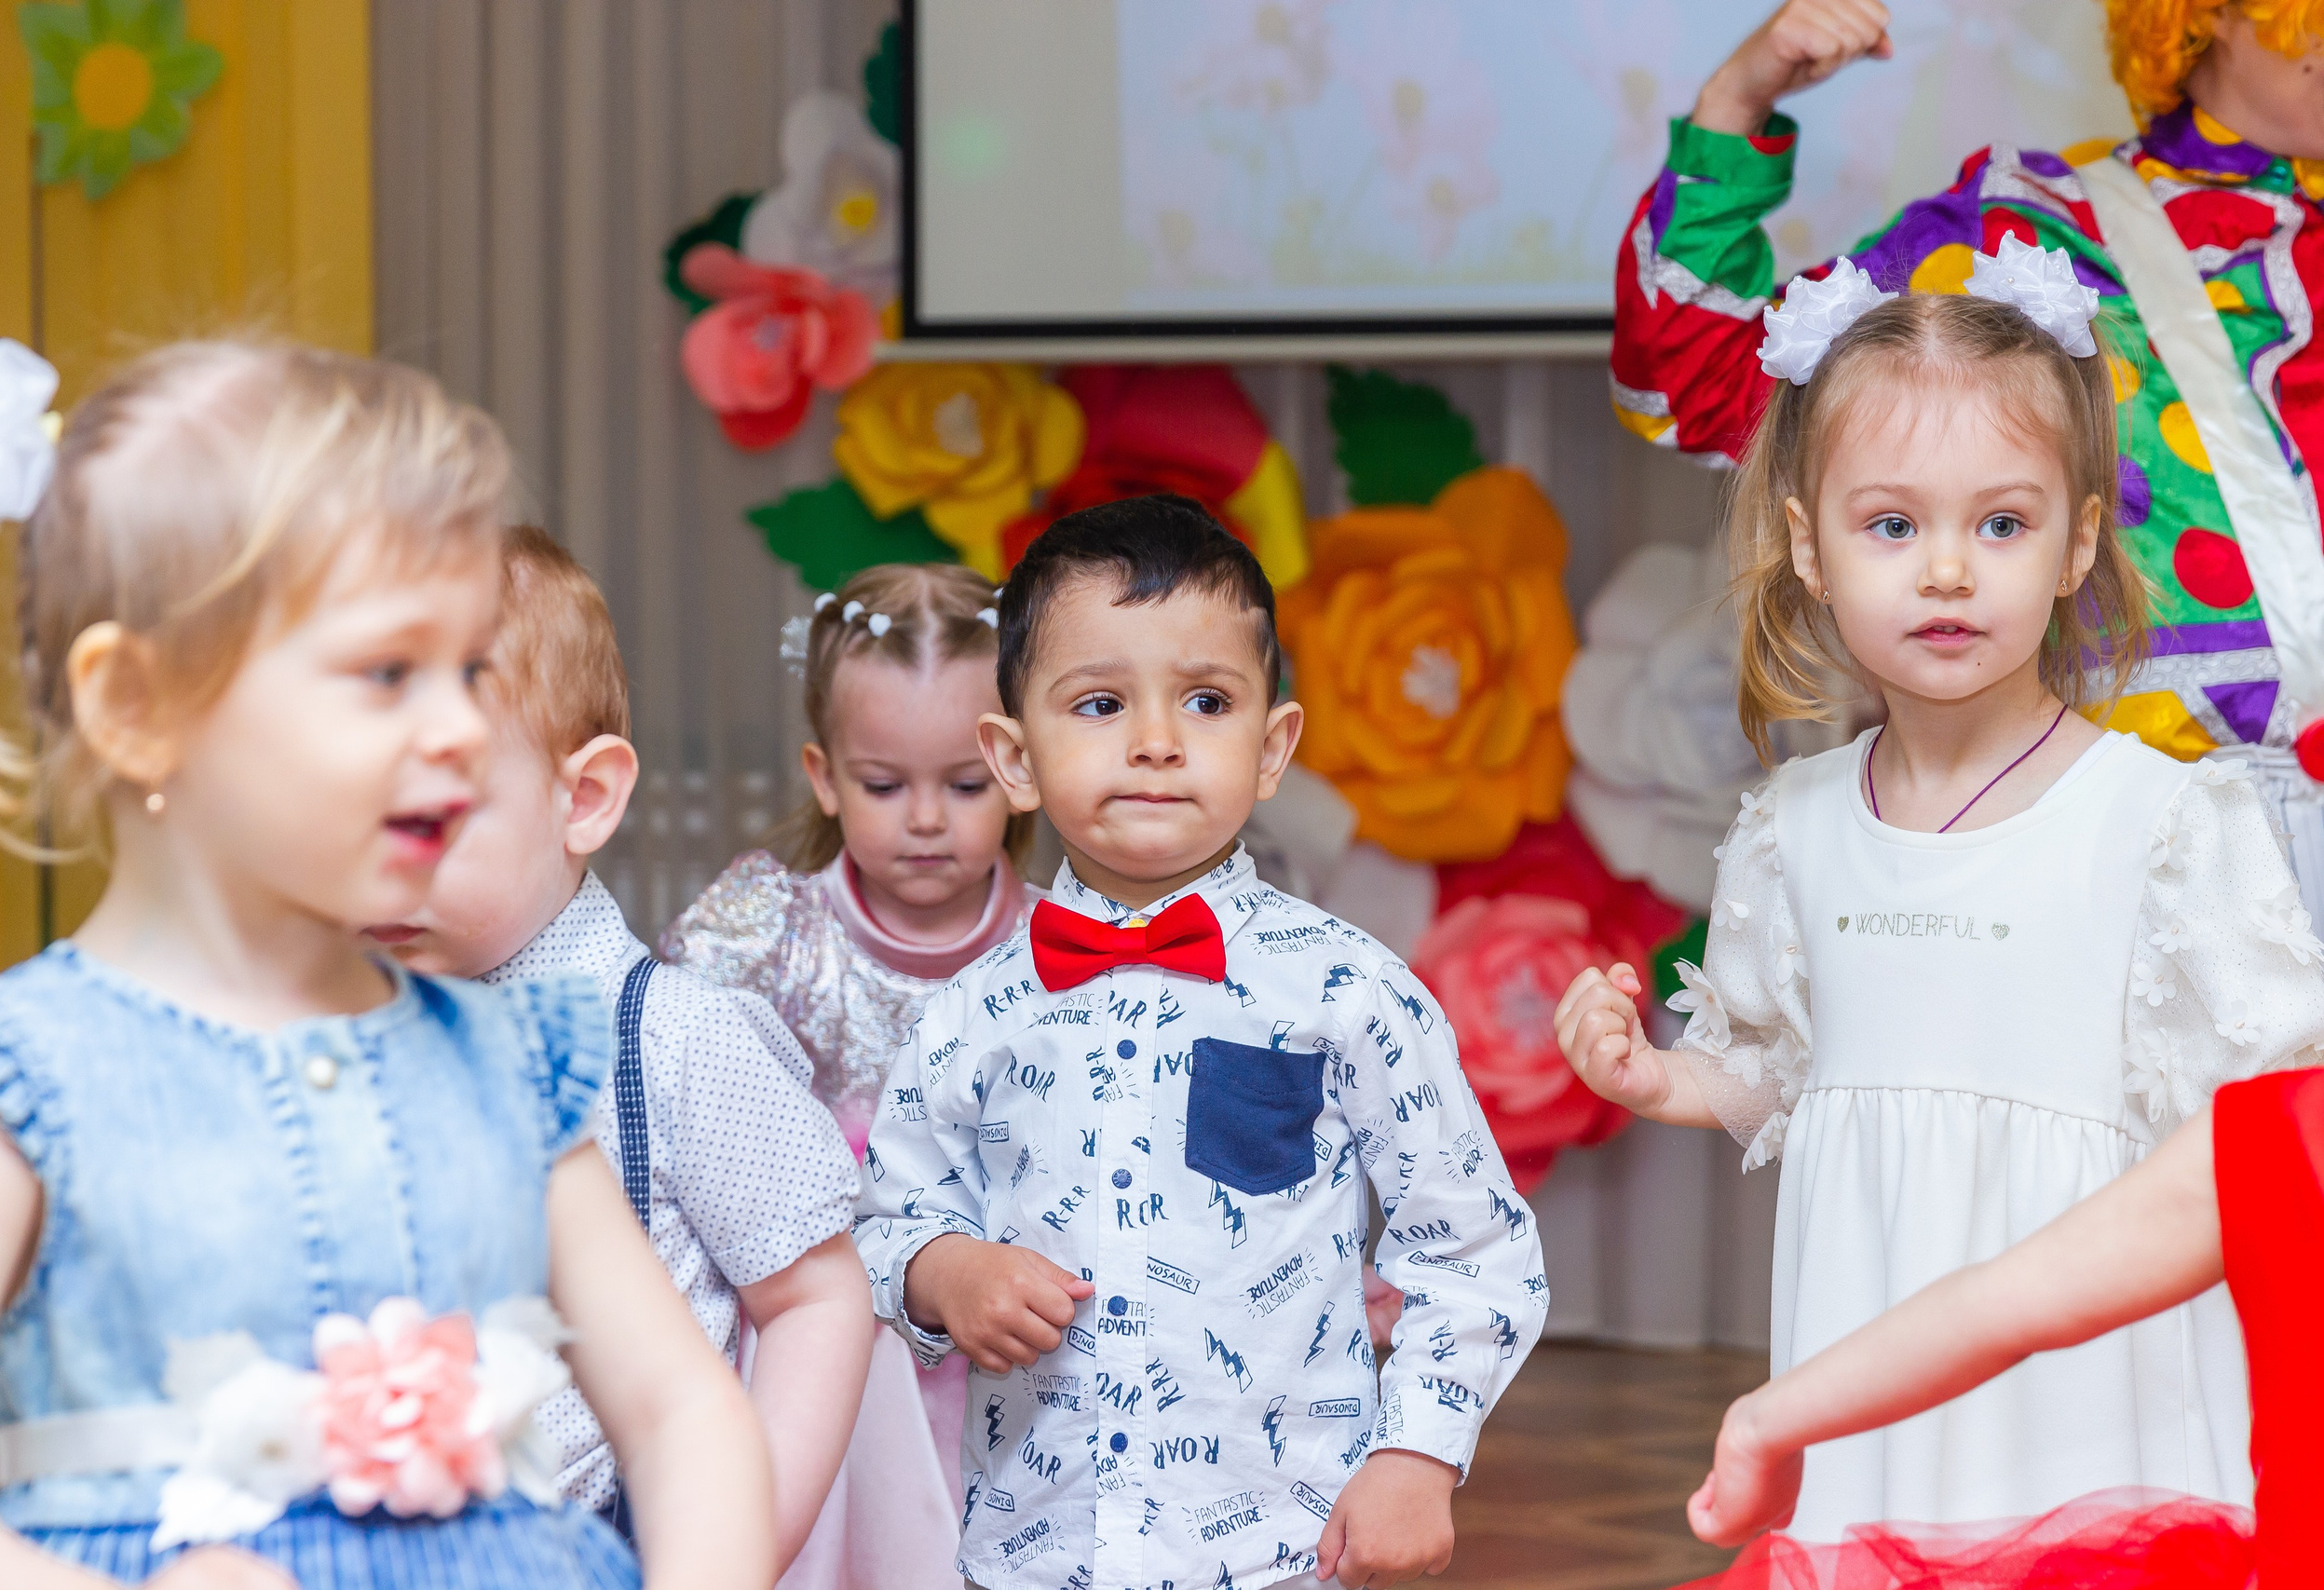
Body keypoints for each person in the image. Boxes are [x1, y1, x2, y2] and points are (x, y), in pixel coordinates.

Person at [0, 341, 771, 1589]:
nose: (455, 728)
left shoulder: (511, 1065)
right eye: (388, 672)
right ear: (139, 704)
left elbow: (681, 1412)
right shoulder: (10, 1084)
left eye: (472, 667)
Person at [1557, 268, 2324, 1541]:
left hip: (2091, 1379)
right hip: (1868, 1343)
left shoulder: (2171, 822)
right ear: (1810, 543)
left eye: (2004, 524)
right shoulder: (1793, 822)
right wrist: (1657, 1079)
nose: (1951, 570)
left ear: (2079, 539)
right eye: (1894, 525)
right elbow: (1776, 1069)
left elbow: (2267, 1139)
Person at [851, 495, 1545, 1590]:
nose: (1157, 742)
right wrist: (946, 1270)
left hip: (1280, 1545)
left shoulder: (1347, 991)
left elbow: (1474, 1249)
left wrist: (1418, 1453)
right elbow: (889, 1221)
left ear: (1272, 748)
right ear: (1015, 758)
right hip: (1035, 1546)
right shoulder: (969, 1014)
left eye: (1207, 701)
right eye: (1097, 703)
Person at [1611, 0, 2324, 922]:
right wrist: (1733, 101)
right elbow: (1694, 378)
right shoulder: (2036, 233)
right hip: (2144, 896)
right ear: (2216, 13)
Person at [364, 524, 873, 1571]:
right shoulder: (320, 1031)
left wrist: (728, 1549)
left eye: (426, 818)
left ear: (583, 797)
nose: (377, 862)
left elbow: (814, 1298)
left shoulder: (674, 1038)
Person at [661, 562, 1038, 1590]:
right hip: (820, 1348)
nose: (925, 819)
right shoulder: (764, 933)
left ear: (1018, 766)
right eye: (883, 785)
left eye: (964, 785)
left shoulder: (1062, 949)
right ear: (824, 777)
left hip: (1007, 1351)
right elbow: (671, 1108)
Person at [1685, 1068, 2323, 1583]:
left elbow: (1997, 1305)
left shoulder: (2286, 1124)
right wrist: (1759, 1427)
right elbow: (2000, 1305)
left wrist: (1759, 1427)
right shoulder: (2279, 1129)